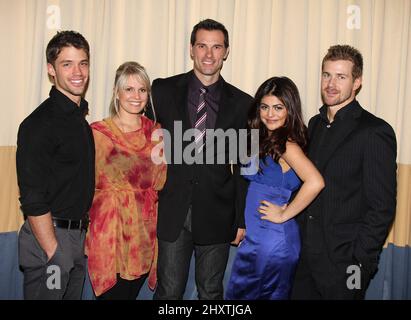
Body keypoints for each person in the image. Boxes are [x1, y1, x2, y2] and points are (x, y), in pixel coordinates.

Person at [148, 19, 253, 300]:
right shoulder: (161, 91)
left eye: (216, 47)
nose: (209, 54)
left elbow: (245, 166)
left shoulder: (244, 104)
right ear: (191, 49)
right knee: (169, 292)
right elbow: (142, 146)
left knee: (211, 292)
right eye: (202, 46)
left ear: (226, 52)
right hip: (172, 210)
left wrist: (242, 218)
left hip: (218, 212)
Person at [291, 45, 397, 300]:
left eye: (341, 77)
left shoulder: (374, 131)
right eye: (327, 75)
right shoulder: (314, 125)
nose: (331, 84)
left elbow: (382, 208)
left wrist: (359, 265)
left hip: (345, 266)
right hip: (303, 263)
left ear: (357, 82)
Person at [225, 77, 324, 300]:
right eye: (265, 107)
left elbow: (316, 181)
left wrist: (284, 214)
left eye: (278, 108)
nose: (270, 114)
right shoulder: (263, 138)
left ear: (290, 109)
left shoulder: (286, 144)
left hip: (273, 240)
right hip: (257, 238)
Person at [16, 31, 94, 299]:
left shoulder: (80, 122)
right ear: (51, 70)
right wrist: (54, 252)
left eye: (83, 63)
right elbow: (33, 197)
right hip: (49, 242)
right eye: (67, 64)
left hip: (75, 240)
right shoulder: (38, 124)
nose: (78, 72)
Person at [85, 61, 166, 300]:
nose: (136, 96)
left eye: (142, 90)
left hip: (143, 232)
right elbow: (84, 184)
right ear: (116, 93)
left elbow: (160, 181)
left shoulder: (157, 133)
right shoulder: (97, 133)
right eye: (128, 89)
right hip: (108, 232)